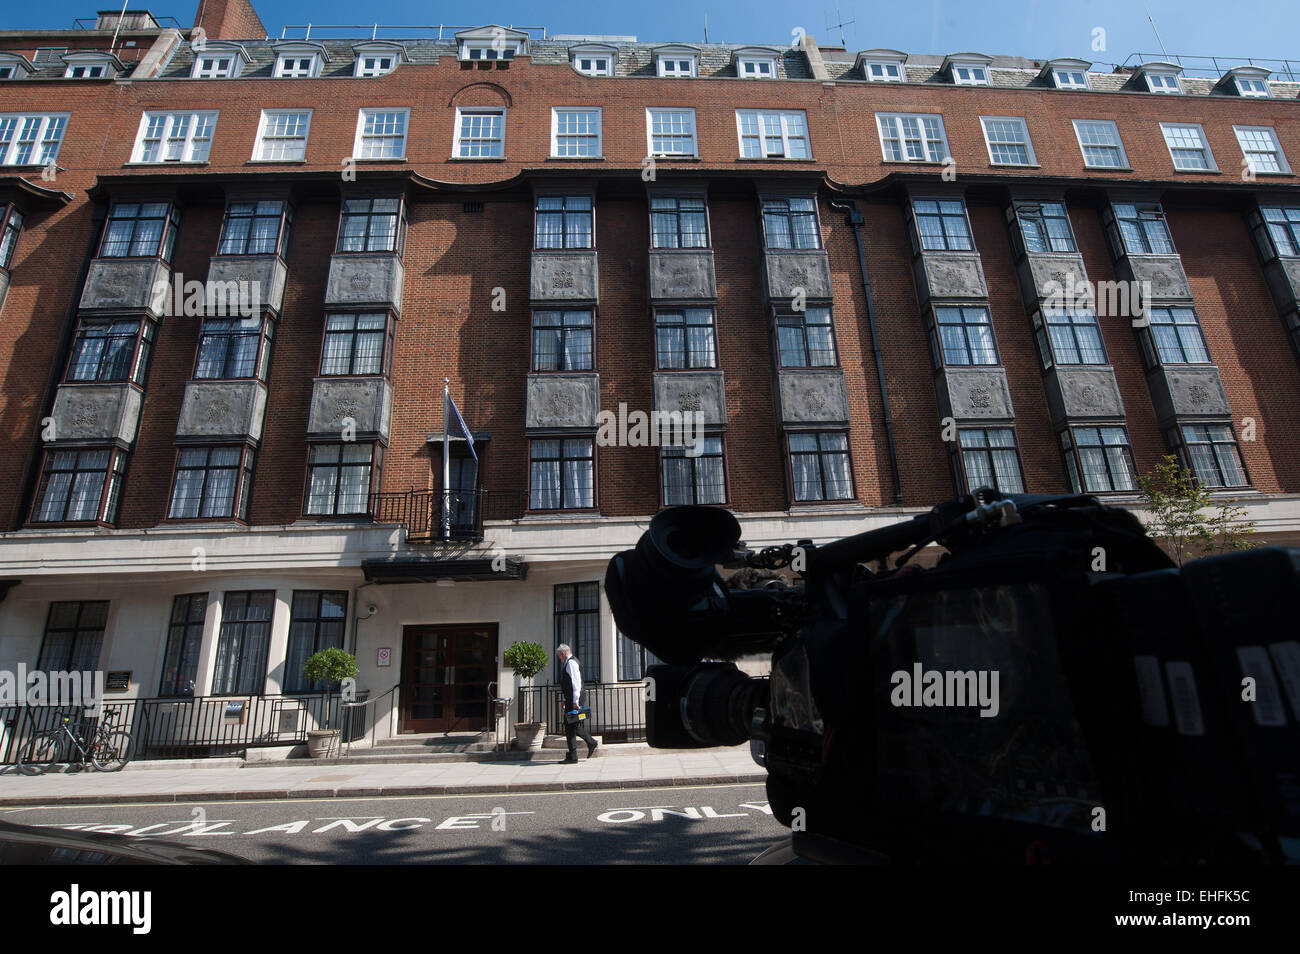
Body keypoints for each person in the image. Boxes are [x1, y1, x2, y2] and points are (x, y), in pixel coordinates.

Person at [556, 643, 597, 762]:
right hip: (572, 698)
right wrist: (565, 699)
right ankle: (575, 753)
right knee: (571, 725)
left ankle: (587, 745)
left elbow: (576, 683)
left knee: (570, 725)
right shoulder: (570, 662)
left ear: (563, 653)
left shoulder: (571, 663)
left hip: (575, 698)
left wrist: (575, 701)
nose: (560, 659)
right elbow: (568, 684)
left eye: (559, 656)